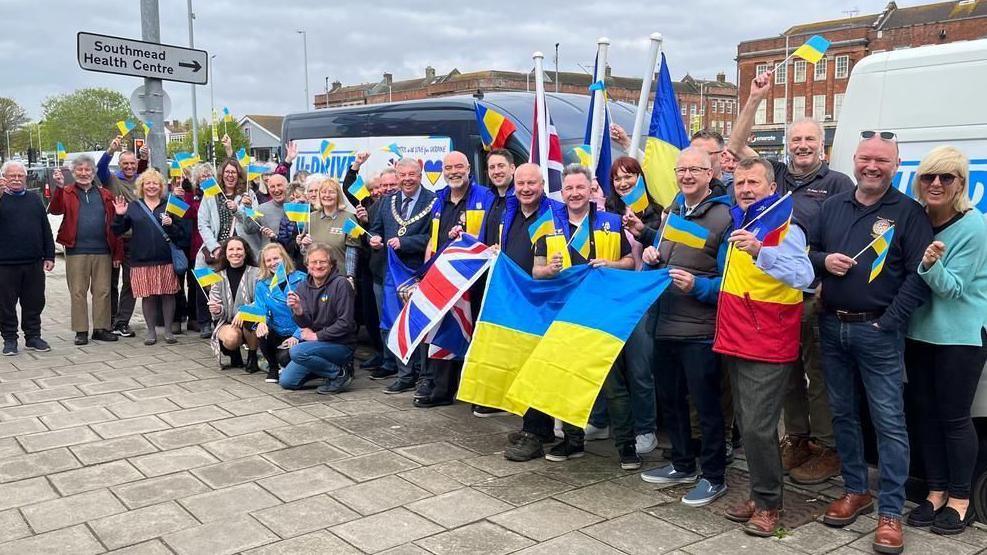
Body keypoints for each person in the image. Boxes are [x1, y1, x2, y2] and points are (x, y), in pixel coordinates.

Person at [728, 69, 856, 484]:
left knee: (819, 372)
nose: (802, 146)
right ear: (788, 145)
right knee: (783, 375)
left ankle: (824, 445)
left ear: (824, 145)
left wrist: (819, 273)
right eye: (796, 140)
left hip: (817, 290)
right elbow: (734, 148)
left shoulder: (838, 182)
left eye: (810, 140)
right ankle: (797, 438)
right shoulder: (776, 177)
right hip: (775, 292)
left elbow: (847, 237)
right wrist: (754, 98)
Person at [808, 132, 933, 555]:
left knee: (889, 423)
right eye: (865, 159)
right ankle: (857, 490)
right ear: (855, 161)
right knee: (843, 415)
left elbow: (920, 276)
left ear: (896, 165)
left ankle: (892, 513)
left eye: (882, 160)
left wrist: (889, 323)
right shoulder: (832, 206)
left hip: (878, 332)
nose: (872, 166)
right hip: (832, 327)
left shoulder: (909, 213)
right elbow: (808, 253)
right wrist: (824, 262)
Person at [714, 158, 814, 536]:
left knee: (757, 427)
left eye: (753, 182)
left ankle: (770, 505)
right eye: (739, 182)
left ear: (772, 188)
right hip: (737, 336)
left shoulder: (785, 227)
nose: (745, 189)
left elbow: (804, 276)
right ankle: (760, 494)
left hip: (767, 341)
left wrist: (761, 251)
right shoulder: (743, 219)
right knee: (749, 424)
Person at [637, 148, 732, 507]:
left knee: (706, 407)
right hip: (664, 325)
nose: (687, 175)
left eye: (695, 169)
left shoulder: (725, 218)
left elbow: (728, 283)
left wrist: (698, 287)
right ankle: (681, 463)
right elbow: (663, 260)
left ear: (711, 174)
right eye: (682, 169)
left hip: (699, 330)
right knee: (671, 402)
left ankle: (713, 476)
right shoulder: (675, 210)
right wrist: (651, 258)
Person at [903, 146, 987, 535]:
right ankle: (935, 490)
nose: (936, 184)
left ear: (960, 184)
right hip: (919, 334)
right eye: (928, 177)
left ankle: (960, 498)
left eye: (946, 177)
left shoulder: (975, 227)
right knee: (925, 415)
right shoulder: (917, 218)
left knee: (954, 419)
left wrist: (929, 264)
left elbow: (953, 289)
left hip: (959, 338)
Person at [533, 164, 635, 468]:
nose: (575, 193)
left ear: (591, 189)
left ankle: (626, 446)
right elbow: (536, 271)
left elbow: (631, 262)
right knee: (565, 380)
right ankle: (572, 440)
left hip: (603, 316)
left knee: (613, 383)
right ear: (562, 192)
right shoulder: (547, 224)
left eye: (581, 187)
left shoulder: (612, 222)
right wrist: (548, 270)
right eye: (569, 189)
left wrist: (611, 264)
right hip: (564, 315)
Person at [415, 151, 495, 408]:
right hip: (445, 279)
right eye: (448, 168)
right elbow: (433, 239)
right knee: (443, 333)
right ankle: (441, 391)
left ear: (469, 168)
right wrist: (427, 272)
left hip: (476, 280)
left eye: (458, 166)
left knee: (478, 336)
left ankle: (477, 393)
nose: (453, 172)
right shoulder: (439, 200)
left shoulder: (485, 196)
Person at [501, 163, 569, 462]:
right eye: (521, 183)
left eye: (532, 183)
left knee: (537, 367)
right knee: (521, 363)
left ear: (543, 184)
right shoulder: (510, 210)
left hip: (544, 302)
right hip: (516, 300)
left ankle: (535, 432)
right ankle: (538, 428)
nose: (526, 188)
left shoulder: (554, 215)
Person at [367, 158, 437, 394]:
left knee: (418, 325)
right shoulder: (387, 202)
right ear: (397, 176)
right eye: (403, 174)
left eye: (412, 174)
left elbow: (434, 237)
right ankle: (405, 374)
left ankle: (422, 373)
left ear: (420, 174)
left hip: (420, 274)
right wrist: (374, 240)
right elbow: (375, 229)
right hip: (391, 275)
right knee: (394, 323)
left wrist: (405, 243)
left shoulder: (434, 201)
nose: (407, 179)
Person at [608, 156, 663, 454]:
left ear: (641, 177)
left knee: (641, 368)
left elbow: (665, 252)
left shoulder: (657, 214)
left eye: (629, 176)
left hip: (643, 300)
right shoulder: (606, 212)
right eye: (617, 178)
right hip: (612, 298)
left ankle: (646, 429)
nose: (623, 182)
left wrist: (644, 232)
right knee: (608, 365)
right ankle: (605, 420)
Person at [49, 155, 122, 346]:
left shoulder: (105, 194)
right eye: (79, 170)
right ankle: (81, 331)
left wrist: (117, 253)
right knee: (78, 291)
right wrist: (57, 187)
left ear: (93, 173)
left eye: (87, 170)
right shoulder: (66, 192)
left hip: (103, 250)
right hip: (76, 250)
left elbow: (115, 225)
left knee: (103, 291)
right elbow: (55, 210)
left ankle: (100, 328)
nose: (83, 173)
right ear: (73, 173)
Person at [110, 169, 187, 345]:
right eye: (148, 183)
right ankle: (151, 331)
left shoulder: (170, 205)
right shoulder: (134, 207)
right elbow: (118, 231)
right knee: (148, 296)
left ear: (161, 187)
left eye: (155, 183)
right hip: (141, 259)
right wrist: (119, 215)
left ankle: (168, 331)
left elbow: (182, 234)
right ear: (142, 186)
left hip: (165, 258)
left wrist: (170, 225)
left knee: (168, 295)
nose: (151, 186)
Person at [196, 158, 260, 339]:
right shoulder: (211, 194)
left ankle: (241, 323)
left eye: (234, 172)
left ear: (239, 174)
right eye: (227, 173)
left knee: (238, 286)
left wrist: (240, 210)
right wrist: (214, 247)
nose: (230, 176)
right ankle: (213, 321)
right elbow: (203, 223)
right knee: (211, 285)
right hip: (215, 248)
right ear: (221, 175)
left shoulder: (248, 194)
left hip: (239, 250)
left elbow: (252, 226)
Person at [281, 243, 358, 394]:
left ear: (331, 265)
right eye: (313, 262)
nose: (318, 266)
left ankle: (339, 374)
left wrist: (317, 335)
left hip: (341, 344)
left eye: (322, 262)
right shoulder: (302, 287)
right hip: (316, 345)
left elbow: (346, 323)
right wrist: (298, 310)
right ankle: (328, 370)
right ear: (307, 265)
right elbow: (306, 324)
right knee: (287, 381)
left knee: (297, 352)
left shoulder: (341, 284)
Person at [0, 161, 55, 355]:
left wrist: (50, 254)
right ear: (4, 178)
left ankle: (33, 336)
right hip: (5, 264)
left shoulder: (34, 199)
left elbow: (45, 228)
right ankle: (9, 339)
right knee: (5, 304)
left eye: (19, 176)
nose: (16, 179)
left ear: (25, 178)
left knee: (34, 301)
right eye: (11, 176)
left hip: (33, 262)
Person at [97, 135, 148, 339]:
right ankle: (108, 320)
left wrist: (144, 158)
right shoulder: (112, 179)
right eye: (125, 163)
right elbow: (100, 169)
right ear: (120, 164)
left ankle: (122, 321)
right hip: (114, 238)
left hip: (135, 241)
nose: (129, 167)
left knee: (131, 282)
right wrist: (110, 150)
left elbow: (147, 174)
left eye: (132, 164)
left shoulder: (140, 182)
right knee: (110, 281)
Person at [363, 168, 402, 380]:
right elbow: (372, 232)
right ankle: (388, 361)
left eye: (391, 184)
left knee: (403, 321)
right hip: (381, 272)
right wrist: (373, 237)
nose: (387, 189)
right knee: (384, 320)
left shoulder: (410, 204)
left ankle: (405, 365)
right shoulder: (377, 206)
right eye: (384, 185)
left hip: (405, 274)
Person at [254, 243, 306, 383]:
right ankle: (272, 368)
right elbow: (261, 308)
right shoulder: (262, 284)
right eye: (268, 260)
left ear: (284, 258)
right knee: (260, 329)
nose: (273, 263)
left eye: (276, 258)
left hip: (299, 330)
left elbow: (310, 312)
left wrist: (297, 335)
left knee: (285, 358)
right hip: (277, 331)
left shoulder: (302, 279)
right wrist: (261, 322)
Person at [207, 237, 261, 373]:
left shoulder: (257, 273)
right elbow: (216, 310)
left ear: (246, 252)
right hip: (228, 322)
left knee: (251, 319)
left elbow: (262, 300)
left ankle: (252, 356)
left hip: (251, 322)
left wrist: (245, 311)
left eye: (239, 249)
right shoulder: (217, 276)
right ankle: (233, 352)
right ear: (225, 253)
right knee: (231, 339)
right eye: (231, 249)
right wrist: (218, 309)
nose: (235, 253)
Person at [296, 176, 359, 280]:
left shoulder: (349, 218)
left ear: (338, 195)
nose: (327, 195)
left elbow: (352, 251)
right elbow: (304, 252)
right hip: (315, 278)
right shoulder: (310, 218)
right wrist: (304, 245)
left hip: (340, 278)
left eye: (331, 192)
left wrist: (350, 277)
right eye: (323, 192)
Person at [482, 148, 516, 246]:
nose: (496, 171)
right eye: (492, 167)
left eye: (501, 166)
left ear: (512, 168)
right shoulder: (488, 197)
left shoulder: (521, 198)